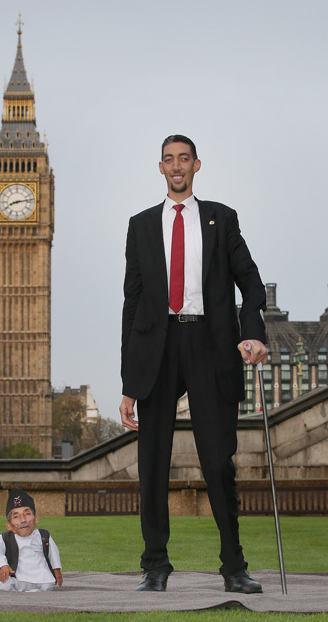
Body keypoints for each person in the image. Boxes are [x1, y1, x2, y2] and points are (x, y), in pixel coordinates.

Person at [119, 134, 267, 594]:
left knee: (218, 461)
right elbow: (132, 302)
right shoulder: (140, 225)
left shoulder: (221, 219)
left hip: (210, 343)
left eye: (185, 159)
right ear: (160, 168)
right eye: (169, 160)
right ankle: (155, 565)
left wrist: (253, 332)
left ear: (197, 165)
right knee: (153, 463)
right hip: (157, 347)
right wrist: (128, 382)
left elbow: (251, 281)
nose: (177, 166)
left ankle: (234, 566)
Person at [0, 487, 63, 591]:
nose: (23, 520)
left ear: (36, 518)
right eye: (16, 517)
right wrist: (3, 566)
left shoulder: (44, 535)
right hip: (18, 577)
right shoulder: (5, 537)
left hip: (42, 577)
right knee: (3, 584)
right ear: (9, 525)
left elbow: (53, 554)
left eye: (27, 514)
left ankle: (37, 592)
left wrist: (57, 571)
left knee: (48, 586)